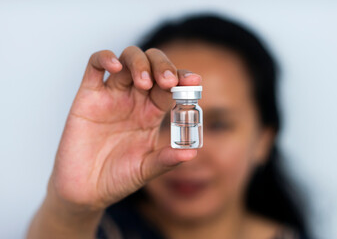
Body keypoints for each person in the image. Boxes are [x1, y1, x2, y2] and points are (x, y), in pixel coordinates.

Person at [27, 13, 311, 239]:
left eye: (220, 125)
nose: (189, 157)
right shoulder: (99, 231)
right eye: (163, 120)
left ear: (264, 140)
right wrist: (70, 210)